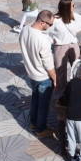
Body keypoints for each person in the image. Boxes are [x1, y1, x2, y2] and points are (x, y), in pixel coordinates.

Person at [19, 10, 57, 139]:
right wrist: (55, 78)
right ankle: (41, 129)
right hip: (43, 77)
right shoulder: (41, 39)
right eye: (50, 25)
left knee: (35, 99)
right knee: (43, 106)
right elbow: (48, 63)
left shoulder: (24, 30)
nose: (50, 27)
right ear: (42, 22)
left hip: (31, 74)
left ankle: (33, 124)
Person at [47, 0, 81, 93]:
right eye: (73, 5)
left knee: (78, 67)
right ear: (67, 7)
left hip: (74, 45)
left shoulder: (74, 16)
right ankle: (62, 91)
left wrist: (76, 30)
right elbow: (46, 32)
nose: (74, 7)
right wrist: (52, 40)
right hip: (60, 46)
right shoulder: (55, 20)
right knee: (60, 70)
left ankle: (77, 88)